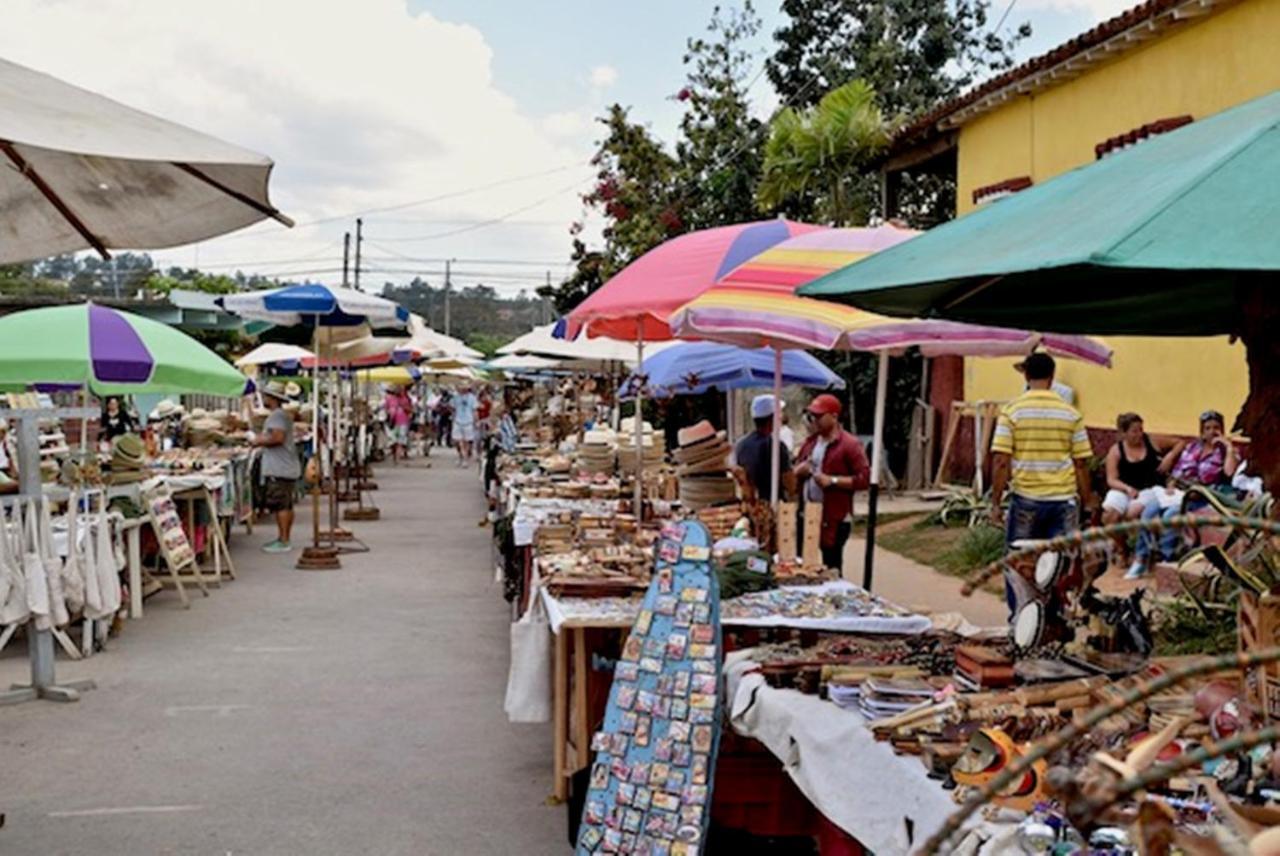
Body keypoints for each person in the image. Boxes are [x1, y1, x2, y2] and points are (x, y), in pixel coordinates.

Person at [989, 353, 1096, 611]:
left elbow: (1001, 461)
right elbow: (1081, 464)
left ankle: (1021, 622)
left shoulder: (1012, 411)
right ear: (1052, 376)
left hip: (1027, 499)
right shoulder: (1071, 414)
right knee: (1059, 566)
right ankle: (1054, 622)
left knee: (1020, 564)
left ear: (1026, 375)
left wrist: (995, 502)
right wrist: (1088, 501)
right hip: (1064, 502)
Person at [1129, 409, 1239, 578]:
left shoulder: (1225, 452)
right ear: (1201, 430)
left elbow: (1230, 473)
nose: (1211, 432)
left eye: (1215, 427)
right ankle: (1141, 559)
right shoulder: (1192, 447)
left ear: (1221, 430)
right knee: (1149, 512)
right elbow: (1178, 471)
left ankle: (1167, 559)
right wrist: (1171, 485)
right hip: (1179, 491)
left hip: (1201, 496)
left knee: (1170, 515)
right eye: (1207, 428)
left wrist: (1228, 447)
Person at [794, 394, 870, 572]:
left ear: (834, 416)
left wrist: (833, 481)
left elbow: (864, 479)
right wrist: (799, 471)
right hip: (807, 514)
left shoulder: (849, 444)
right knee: (802, 565)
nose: (815, 420)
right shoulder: (810, 443)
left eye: (820, 416)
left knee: (832, 566)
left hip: (834, 517)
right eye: (813, 416)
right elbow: (795, 469)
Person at [1101, 413, 1168, 564]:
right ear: (1124, 433)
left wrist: (1169, 459)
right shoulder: (1116, 451)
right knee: (1110, 516)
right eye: (1134, 431)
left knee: (1131, 514)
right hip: (1124, 488)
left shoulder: (1151, 441)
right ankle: (1122, 548)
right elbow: (1111, 479)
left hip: (1149, 488)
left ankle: (1141, 550)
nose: (1139, 434)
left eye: (1140, 429)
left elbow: (1179, 443)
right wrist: (1127, 488)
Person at [254, 381, 301, 554]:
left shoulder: (277, 416)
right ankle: (284, 537)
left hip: (280, 467)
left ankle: (283, 539)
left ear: (271, 398)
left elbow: (277, 438)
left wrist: (258, 441)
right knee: (286, 504)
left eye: (266, 396)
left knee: (281, 505)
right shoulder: (281, 415)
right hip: (286, 467)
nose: (264, 399)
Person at [732, 394, 794, 503]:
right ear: (773, 418)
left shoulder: (741, 445)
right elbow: (789, 482)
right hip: (773, 504)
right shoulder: (776, 446)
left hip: (750, 504)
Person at [452, 384, 479, 466]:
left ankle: (465, 458)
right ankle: (460, 455)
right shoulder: (456, 397)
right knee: (456, 441)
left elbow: (474, 410)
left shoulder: (472, 398)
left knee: (467, 441)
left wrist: (476, 421)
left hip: (468, 421)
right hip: (457, 421)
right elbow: (453, 409)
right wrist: (453, 419)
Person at [385, 386, 412, 464]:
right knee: (393, 440)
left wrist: (404, 407)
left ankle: (397, 457)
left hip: (403, 421)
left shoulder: (406, 399)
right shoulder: (389, 399)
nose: (398, 391)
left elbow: (410, 409)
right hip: (392, 422)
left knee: (400, 440)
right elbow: (386, 409)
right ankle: (394, 455)